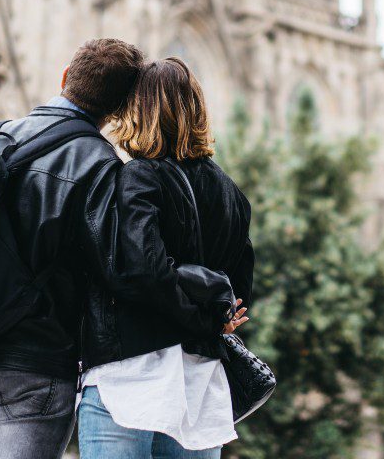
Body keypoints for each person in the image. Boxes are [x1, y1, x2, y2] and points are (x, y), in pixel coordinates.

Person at [0, 39, 213, 459]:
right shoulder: (104, 169)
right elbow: (120, 271)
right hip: (33, 369)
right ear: (119, 111)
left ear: (64, 78)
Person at [78, 57, 255, 459]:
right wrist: (212, 324)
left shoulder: (141, 175)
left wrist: (195, 321)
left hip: (133, 379)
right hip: (201, 387)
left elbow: (145, 270)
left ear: (137, 111)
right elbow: (239, 290)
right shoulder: (232, 195)